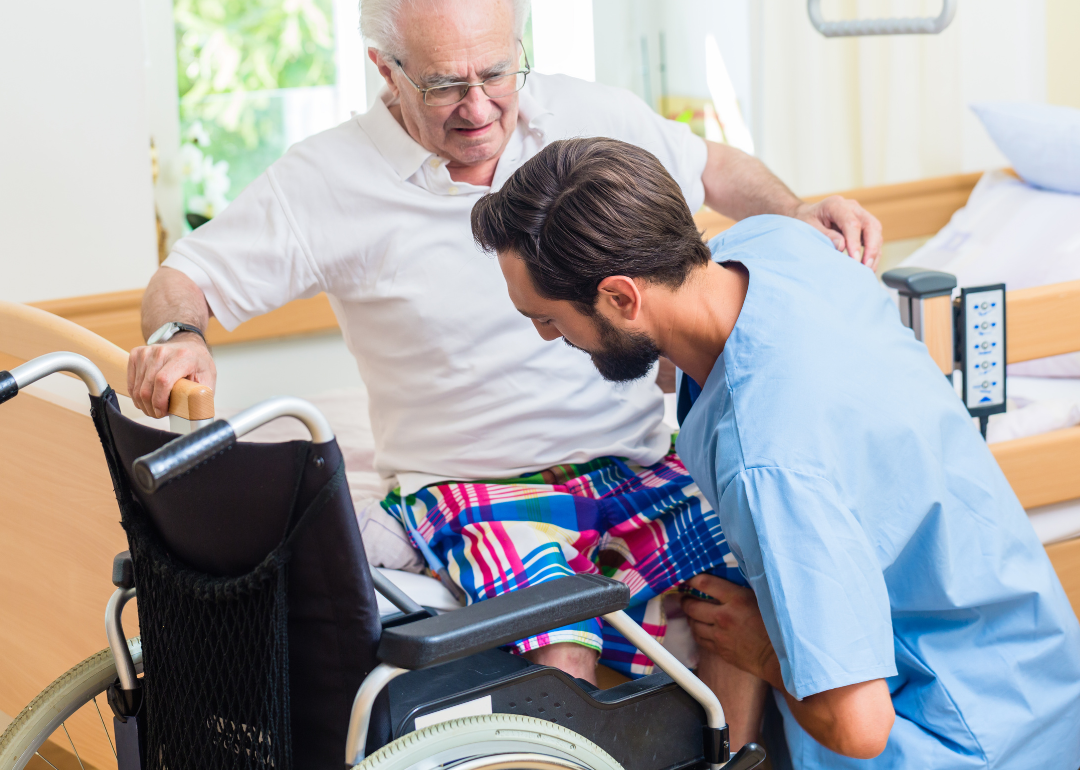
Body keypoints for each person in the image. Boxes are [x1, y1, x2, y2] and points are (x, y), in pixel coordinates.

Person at [128, 0, 879, 740]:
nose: (479, 105)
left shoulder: (587, 116)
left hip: (634, 460)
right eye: (444, 85)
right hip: (472, 481)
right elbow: (184, 277)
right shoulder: (325, 180)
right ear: (385, 71)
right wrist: (178, 333)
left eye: (495, 71)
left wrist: (798, 212)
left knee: (738, 578)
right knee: (562, 634)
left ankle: (731, 757)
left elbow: (712, 168)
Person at [474, 136, 1080, 767]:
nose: (548, 335)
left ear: (624, 297)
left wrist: (760, 650)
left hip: (963, 739)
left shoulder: (770, 463)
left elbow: (861, 728)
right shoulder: (773, 245)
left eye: (546, 318)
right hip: (1037, 673)